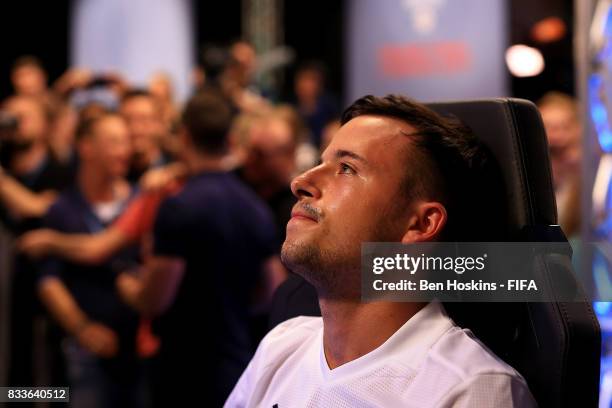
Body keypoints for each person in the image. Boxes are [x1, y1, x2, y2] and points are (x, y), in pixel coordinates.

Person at [225, 94, 536, 407]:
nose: (301, 181)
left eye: (346, 168)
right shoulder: (282, 347)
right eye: (321, 162)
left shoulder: (470, 388)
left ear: (421, 224)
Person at [115, 89, 286, 407]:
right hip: (237, 366)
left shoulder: (179, 206)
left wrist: (125, 285)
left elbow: (155, 298)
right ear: (230, 139)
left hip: (183, 372)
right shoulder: (254, 207)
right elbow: (270, 290)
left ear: (184, 136)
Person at [37, 112, 143, 407]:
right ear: (86, 147)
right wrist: (82, 327)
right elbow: (48, 281)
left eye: (126, 142)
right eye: (114, 142)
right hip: (84, 355)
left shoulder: (139, 200)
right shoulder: (61, 209)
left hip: (138, 351)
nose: (124, 151)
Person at [119, 90, 170, 183]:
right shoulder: (111, 175)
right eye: (127, 120)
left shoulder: (177, 169)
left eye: (144, 120)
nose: (136, 129)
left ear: (160, 124)